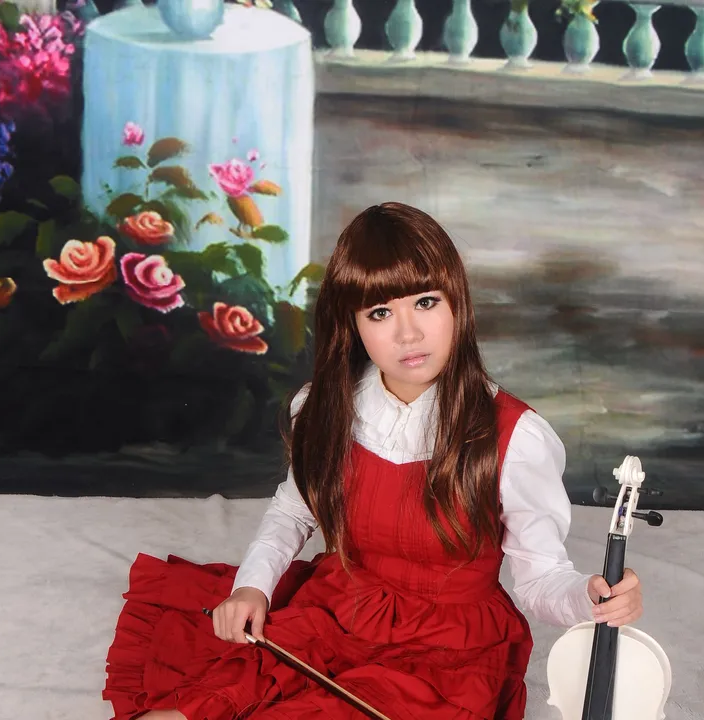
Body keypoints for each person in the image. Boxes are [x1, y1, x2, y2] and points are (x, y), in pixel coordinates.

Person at [103, 202, 643, 720]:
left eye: (425, 303)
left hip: (448, 652)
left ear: (457, 302)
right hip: (339, 608)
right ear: (354, 324)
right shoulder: (326, 407)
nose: (408, 334)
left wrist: (590, 597)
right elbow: (293, 512)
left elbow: (540, 578)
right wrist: (253, 585)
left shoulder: (515, 436)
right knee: (209, 702)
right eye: (381, 313)